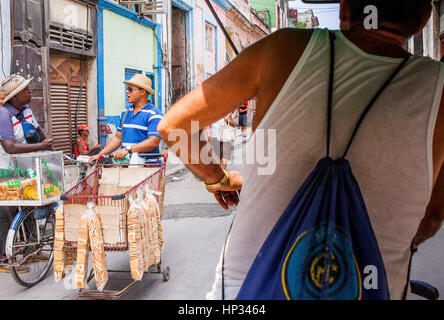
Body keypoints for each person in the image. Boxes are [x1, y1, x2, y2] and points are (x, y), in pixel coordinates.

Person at [158, 0, 444, 300]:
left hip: (248, 290)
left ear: (344, 10)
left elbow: (175, 126)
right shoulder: (438, 87)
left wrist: (217, 178)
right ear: (424, 18)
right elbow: (432, 215)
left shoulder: (282, 48)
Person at [0, 74, 54, 272]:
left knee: (30, 206)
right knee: (6, 213)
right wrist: (41, 145)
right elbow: (10, 147)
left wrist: (46, 145)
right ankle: (4, 259)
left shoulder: (27, 111)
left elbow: (39, 132)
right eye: (24, 89)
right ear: (14, 96)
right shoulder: (4, 115)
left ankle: (31, 249)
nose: (29, 91)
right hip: (4, 171)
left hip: (25, 168)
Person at [89, 74, 163, 165]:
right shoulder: (125, 113)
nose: (127, 92)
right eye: (127, 89)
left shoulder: (154, 114)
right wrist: (100, 154)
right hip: (127, 166)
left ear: (143, 92)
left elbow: (153, 142)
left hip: (148, 169)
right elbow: (118, 138)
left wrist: (128, 149)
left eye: (131, 89)